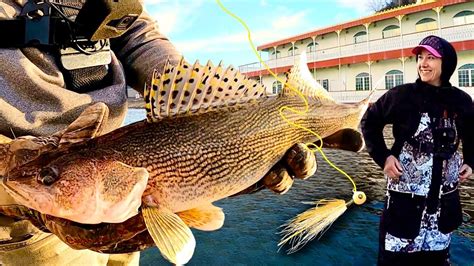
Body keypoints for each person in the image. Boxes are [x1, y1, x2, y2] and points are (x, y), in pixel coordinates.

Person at [0, 1, 317, 265]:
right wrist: (10, 180)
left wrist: (189, 103)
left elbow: (133, 29)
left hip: (112, 171)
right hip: (29, 219)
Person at [361, 35, 473, 266]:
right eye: (420, 57)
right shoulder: (402, 95)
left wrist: (472, 161)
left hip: (443, 207)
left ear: (446, 64)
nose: (423, 63)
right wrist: (384, 157)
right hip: (405, 202)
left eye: (430, 58)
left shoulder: (461, 100)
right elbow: (369, 122)